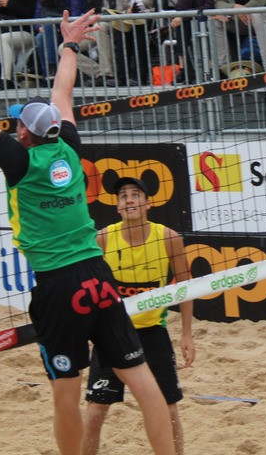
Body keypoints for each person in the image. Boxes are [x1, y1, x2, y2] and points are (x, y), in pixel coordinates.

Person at [0, 3, 177, 455]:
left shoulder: (19, 163)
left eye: (17, 124)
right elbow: (63, 95)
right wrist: (69, 43)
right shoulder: (68, 146)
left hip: (57, 285)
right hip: (99, 275)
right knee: (145, 384)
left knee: (65, 395)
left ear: (24, 134)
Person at [82, 175, 193, 455]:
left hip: (153, 332)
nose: (129, 199)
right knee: (95, 411)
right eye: (123, 196)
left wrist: (187, 334)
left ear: (147, 203)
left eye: (135, 194)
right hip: (112, 334)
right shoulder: (103, 238)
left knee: (168, 408)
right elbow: (90, 289)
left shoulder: (169, 238)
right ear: (118, 207)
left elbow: (186, 285)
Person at [35, 0, 88, 79]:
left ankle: (53, 67)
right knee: (39, 37)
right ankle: (47, 75)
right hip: (52, 29)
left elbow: (76, 12)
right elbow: (37, 15)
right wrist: (39, 27)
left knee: (48, 24)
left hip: (70, 27)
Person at [114, 0, 158, 86]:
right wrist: (127, 12)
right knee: (121, 32)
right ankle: (121, 77)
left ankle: (139, 76)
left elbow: (158, 6)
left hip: (149, 18)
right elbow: (119, 9)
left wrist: (143, 12)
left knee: (139, 31)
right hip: (128, 18)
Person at [168, 0, 213, 81]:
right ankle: (183, 69)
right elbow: (181, 7)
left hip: (208, 14)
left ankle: (208, 68)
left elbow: (209, 4)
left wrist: (185, 15)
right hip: (193, 15)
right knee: (179, 24)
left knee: (194, 20)